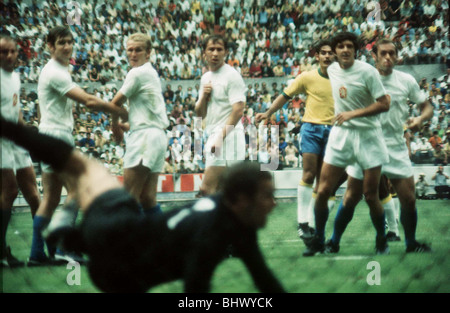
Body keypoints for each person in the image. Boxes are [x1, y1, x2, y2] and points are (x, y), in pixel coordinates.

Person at [0, 118, 285, 293]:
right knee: (79, 163)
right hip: (114, 260)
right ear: (242, 200)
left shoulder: (234, 216)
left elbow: (265, 281)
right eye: (267, 196)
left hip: (124, 221)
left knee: (83, 165)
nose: (273, 203)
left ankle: (9, 129)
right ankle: (73, 237)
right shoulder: (211, 234)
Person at [327, 38, 433, 254]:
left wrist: (420, 119)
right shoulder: (363, 75)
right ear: (373, 56)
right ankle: (334, 241)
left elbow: (427, 107)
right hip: (366, 144)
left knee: (409, 199)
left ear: (397, 56)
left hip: (395, 146)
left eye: (392, 53)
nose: (388, 58)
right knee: (352, 196)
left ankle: (411, 243)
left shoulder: (406, 80)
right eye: (383, 53)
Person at [29, 26, 125, 266]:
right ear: (49, 46)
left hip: (50, 134)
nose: (67, 46)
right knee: (78, 189)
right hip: (57, 136)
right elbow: (88, 100)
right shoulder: (55, 72)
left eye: (70, 42)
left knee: (51, 198)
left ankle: (37, 253)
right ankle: (64, 248)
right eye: (61, 42)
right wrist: (117, 109)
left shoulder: (58, 70)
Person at [304, 32, 391, 256]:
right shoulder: (331, 69)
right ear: (335, 51)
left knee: (370, 196)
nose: (345, 50)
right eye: (340, 46)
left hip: (368, 136)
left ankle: (382, 238)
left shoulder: (368, 72)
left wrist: (353, 114)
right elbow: (318, 57)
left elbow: (384, 103)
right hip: (341, 136)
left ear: (356, 50)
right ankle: (320, 240)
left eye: (349, 46)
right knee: (323, 190)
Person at [255, 40, 342, 242]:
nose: (327, 56)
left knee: (325, 183)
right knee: (309, 173)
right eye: (323, 53)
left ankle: (313, 225)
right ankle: (302, 222)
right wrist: (268, 113)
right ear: (317, 56)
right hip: (311, 128)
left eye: (330, 53)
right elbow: (285, 96)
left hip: (335, 131)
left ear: (335, 56)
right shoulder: (307, 77)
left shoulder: (342, 78)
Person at [110, 33, 169, 215]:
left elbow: (115, 104)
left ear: (148, 53)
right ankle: (163, 240)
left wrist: (115, 127)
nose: (133, 54)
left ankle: (130, 243)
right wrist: (127, 125)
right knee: (148, 198)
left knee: (129, 197)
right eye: (130, 50)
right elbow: (147, 115)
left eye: (138, 50)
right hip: (157, 136)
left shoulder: (136, 73)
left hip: (144, 138)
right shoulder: (151, 73)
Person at [1, 35, 41, 267]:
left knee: (34, 195)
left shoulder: (15, 77)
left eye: (12, 51)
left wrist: (26, 135)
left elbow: (15, 112)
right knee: (9, 190)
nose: (8, 56)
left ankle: (40, 251)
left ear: (18, 53)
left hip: (16, 140)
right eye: (3, 52)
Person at [194, 34, 246, 196]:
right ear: (204, 53)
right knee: (221, 192)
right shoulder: (206, 78)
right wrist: (204, 97)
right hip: (214, 134)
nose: (215, 53)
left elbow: (238, 110)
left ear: (225, 53)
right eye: (211, 49)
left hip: (229, 136)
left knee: (208, 189)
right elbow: (200, 114)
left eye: (219, 49)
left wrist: (220, 137)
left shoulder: (231, 75)